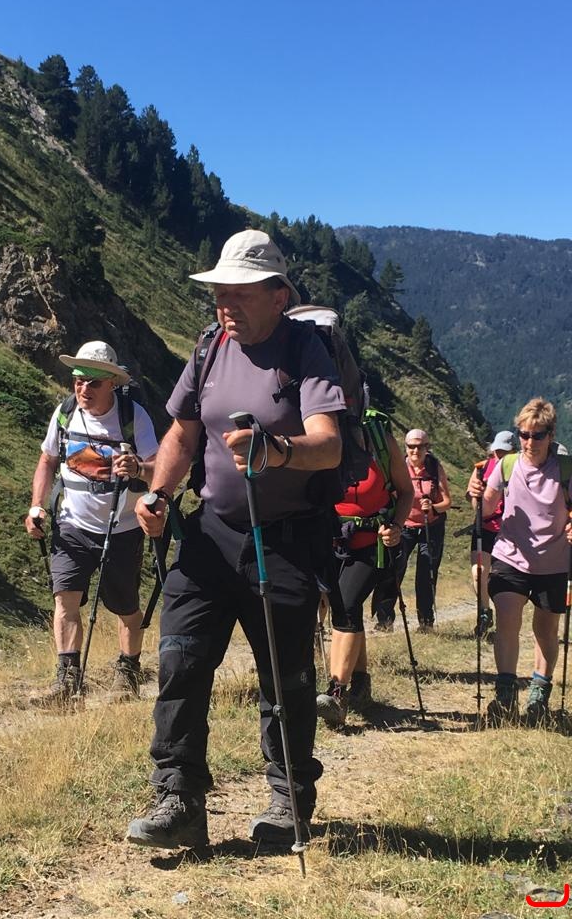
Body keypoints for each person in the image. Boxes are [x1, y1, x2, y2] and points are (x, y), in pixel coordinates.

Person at [125, 230, 345, 850]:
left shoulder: (305, 351)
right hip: (211, 533)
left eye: (240, 293)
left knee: (285, 678)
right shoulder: (209, 348)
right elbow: (181, 435)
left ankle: (289, 798)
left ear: (278, 296)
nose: (226, 304)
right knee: (181, 659)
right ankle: (179, 798)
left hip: (285, 540)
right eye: (220, 292)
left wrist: (276, 451)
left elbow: (328, 444)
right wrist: (159, 494)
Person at [25, 341, 159, 705]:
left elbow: (160, 471)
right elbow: (47, 460)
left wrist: (138, 469)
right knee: (65, 599)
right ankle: (67, 680)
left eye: (94, 382)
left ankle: (128, 671)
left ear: (112, 383)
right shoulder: (65, 412)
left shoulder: (134, 418)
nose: (84, 388)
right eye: (78, 380)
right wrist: (37, 506)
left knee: (125, 606)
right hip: (72, 525)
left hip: (123, 528)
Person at [467, 398, 572, 726]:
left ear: (550, 435)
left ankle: (539, 694)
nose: (529, 442)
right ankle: (505, 696)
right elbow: (486, 510)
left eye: (537, 435)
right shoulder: (507, 465)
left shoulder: (565, 469)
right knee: (507, 621)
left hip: (554, 562)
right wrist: (476, 494)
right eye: (523, 434)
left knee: (546, 630)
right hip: (510, 557)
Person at [316, 414, 414, 727]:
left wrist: (396, 526)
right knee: (348, 607)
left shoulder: (380, 439)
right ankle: (360, 683)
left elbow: (406, 491)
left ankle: (336, 694)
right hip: (329, 540)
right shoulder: (318, 434)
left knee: (345, 604)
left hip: (374, 543)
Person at [374, 429, 452, 632]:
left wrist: (433, 507)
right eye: (411, 446)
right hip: (404, 525)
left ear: (427, 448)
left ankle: (426, 622)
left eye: (420, 446)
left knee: (426, 573)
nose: (415, 450)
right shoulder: (399, 466)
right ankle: (385, 620)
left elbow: (446, 502)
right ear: (405, 447)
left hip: (430, 526)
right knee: (393, 570)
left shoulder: (434, 468)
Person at [466, 430, 515, 639]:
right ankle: (484, 612)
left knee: (503, 579)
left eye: (504, 451)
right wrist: (476, 495)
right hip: (484, 528)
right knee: (478, 573)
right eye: (497, 450)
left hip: (510, 531)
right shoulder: (482, 468)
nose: (499, 455)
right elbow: (473, 501)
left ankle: (506, 618)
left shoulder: (519, 468)